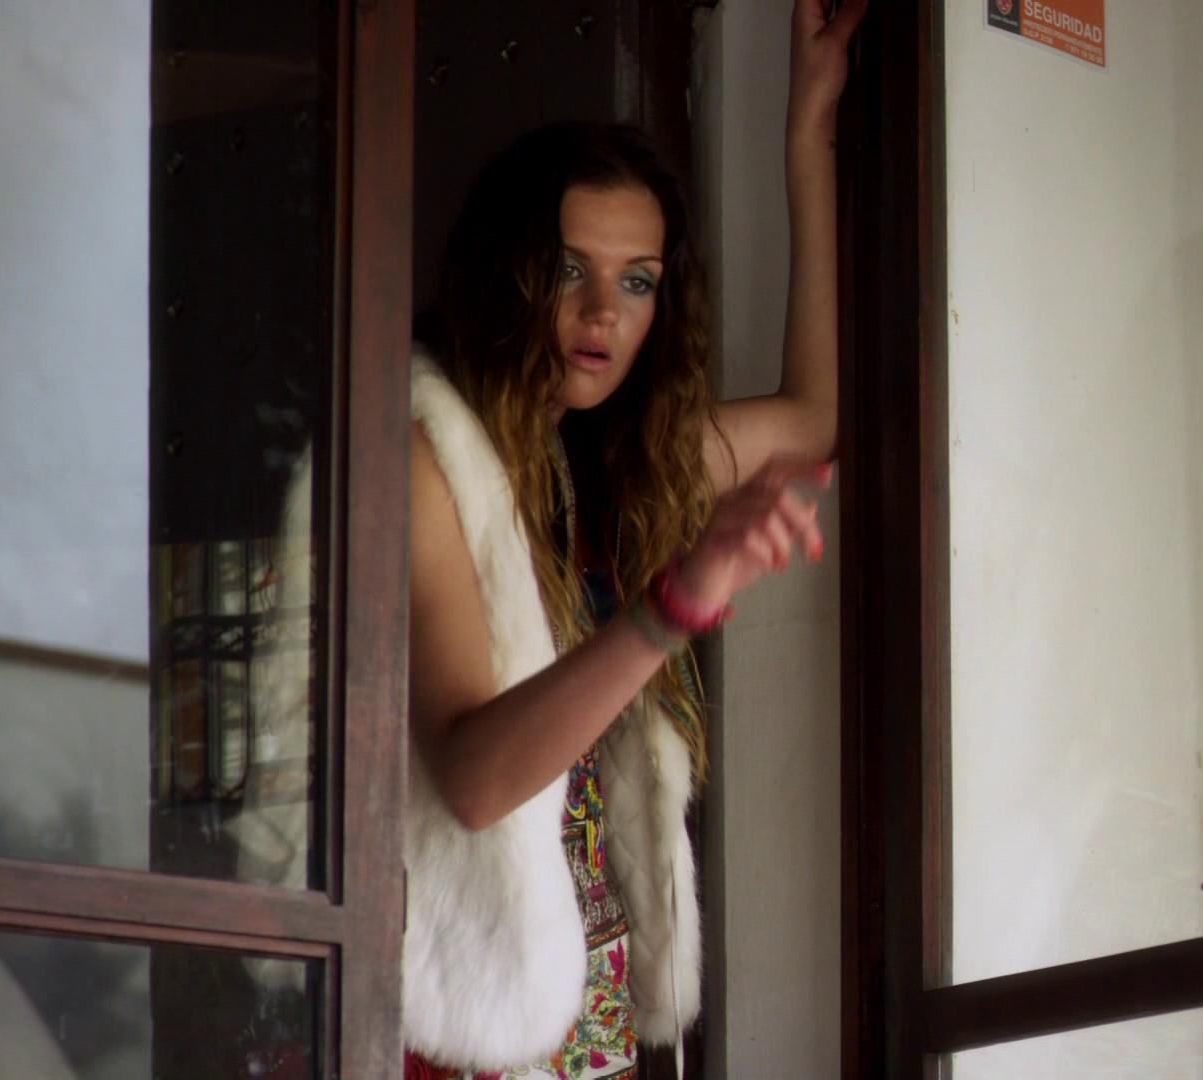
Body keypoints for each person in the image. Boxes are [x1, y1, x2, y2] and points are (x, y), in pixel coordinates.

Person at [402, 3, 865, 1077]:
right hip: (454, 1018)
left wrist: (806, 138)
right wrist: (675, 607)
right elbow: (474, 780)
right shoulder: (428, 456)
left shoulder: (612, 464)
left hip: (587, 1015)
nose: (603, 310)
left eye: (638, 280)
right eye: (571, 269)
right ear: (508, 271)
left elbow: (813, 420)